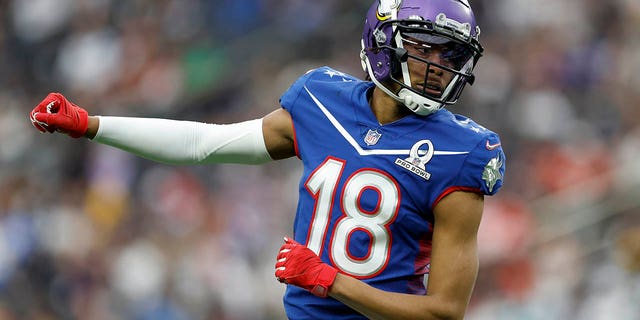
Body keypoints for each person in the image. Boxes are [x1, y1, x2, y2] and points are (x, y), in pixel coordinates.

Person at [29, 0, 505, 318]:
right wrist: (92, 125)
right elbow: (205, 143)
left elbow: (444, 312)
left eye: (451, 54)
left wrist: (329, 281)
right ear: (384, 42)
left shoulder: (463, 151)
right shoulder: (322, 99)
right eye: (426, 48)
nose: (440, 65)